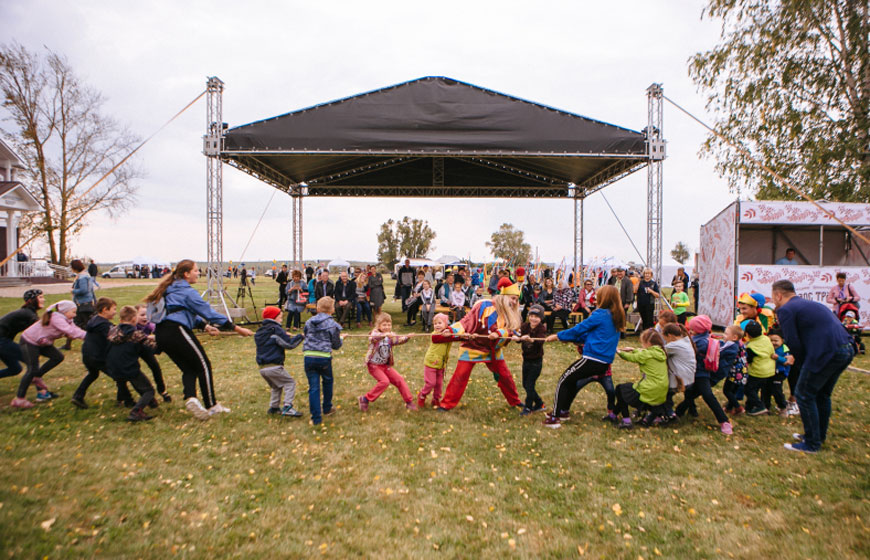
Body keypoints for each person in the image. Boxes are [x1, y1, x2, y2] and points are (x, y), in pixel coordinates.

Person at [145, 259, 253, 421]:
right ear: (186, 274)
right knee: (204, 365)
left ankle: (191, 398)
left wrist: (205, 327)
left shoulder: (170, 289)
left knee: (189, 368)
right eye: (196, 271)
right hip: (177, 331)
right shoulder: (187, 292)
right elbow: (207, 312)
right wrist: (237, 328)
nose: (198, 273)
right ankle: (212, 405)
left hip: (162, 333)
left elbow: (181, 311)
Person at [771, 279, 855, 453]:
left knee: (804, 393)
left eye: (773, 297)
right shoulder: (808, 304)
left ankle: (811, 443)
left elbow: (792, 341)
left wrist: (800, 364)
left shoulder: (786, 310)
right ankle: (817, 436)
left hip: (825, 353)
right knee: (822, 395)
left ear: (778, 295)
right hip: (844, 348)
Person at [542, 285, 624, 428]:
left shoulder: (601, 314)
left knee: (563, 380)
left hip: (593, 359)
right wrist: (576, 339)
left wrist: (558, 336)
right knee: (571, 381)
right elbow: (595, 334)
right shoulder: (615, 315)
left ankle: (554, 418)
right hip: (604, 361)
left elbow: (580, 328)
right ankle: (563, 412)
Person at [437, 283, 524, 411]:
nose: (515, 302)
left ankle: (515, 401)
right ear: (504, 296)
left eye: (516, 299)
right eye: (513, 298)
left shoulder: (509, 313)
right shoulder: (483, 305)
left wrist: (499, 333)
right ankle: (446, 404)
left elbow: (510, 331)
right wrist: (451, 330)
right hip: (472, 347)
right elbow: (467, 321)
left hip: (493, 350)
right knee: (460, 376)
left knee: (505, 376)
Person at [11, 301, 86, 409]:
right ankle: (19, 399)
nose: (75, 314)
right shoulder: (57, 318)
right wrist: (89, 337)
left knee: (58, 357)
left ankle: (37, 376)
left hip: (42, 342)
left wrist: (82, 334)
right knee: (32, 369)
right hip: (29, 341)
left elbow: (74, 330)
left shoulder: (68, 319)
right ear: (64, 311)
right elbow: (70, 331)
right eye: (73, 312)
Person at [71, 297, 135, 409]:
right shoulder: (104, 325)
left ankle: (78, 395)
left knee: (93, 374)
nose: (115, 312)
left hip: (87, 354)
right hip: (98, 357)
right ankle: (127, 400)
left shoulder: (94, 320)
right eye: (114, 309)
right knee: (120, 376)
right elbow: (116, 336)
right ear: (105, 309)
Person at [674, 315, 734, 435]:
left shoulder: (702, 342)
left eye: (692, 328)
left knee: (707, 395)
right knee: (690, 394)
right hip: (692, 372)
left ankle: (724, 421)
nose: (690, 330)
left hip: (701, 374)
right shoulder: (698, 338)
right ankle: (681, 413)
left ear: (698, 330)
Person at [104, 305, 160, 422]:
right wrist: (161, 342)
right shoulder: (136, 334)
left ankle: (136, 401)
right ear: (134, 319)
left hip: (112, 365)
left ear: (120, 320)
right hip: (128, 367)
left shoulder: (113, 331)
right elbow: (152, 349)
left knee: (126, 382)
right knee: (148, 390)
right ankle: (136, 411)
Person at [612, 329, 669, 429]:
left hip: (649, 390)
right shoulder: (660, 352)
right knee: (625, 389)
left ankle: (626, 421)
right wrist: (633, 349)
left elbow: (632, 358)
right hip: (661, 391)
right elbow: (644, 352)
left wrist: (619, 352)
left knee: (620, 390)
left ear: (648, 343)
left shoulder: (646, 354)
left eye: (642, 343)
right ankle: (612, 415)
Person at [358, 313, 416, 412]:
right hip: (374, 365)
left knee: (399, 380)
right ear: (378, 326)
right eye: (384, 325)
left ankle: (409, 402)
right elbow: (373, 338)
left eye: (389, 325)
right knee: (384, 382)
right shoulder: (374, 333)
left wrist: (407, 337)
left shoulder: (390, 335)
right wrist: (384, 335)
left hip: (385, 365)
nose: (387, 327)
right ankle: (365, 399)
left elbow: (398, 340)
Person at [255, 306, 304, 417]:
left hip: (262, 368)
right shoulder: (276, 329)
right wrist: (300, 337)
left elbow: (273, 340)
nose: (281, 320)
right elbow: (289, 344)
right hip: (274, 366)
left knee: (276, 386)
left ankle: (274, 407)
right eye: (280, 317)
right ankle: (288, 407)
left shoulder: (260, 331)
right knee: (289, 383)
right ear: (274, 317)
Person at [303, 296, 343, 425]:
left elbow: (306, 334)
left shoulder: (309, 322)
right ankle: (327, 408)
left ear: (318, 308)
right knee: (327, 382)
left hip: (309, 356)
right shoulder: (333, 325)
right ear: (332, 310)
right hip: (324, 357)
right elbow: (336, 345)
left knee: (313, 387)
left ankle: (316, 418)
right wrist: (341, 339)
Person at [0, 289, 44, 382]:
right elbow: (42, 329)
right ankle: (42, 392)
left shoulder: (28, 312)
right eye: (40, 297)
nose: (43, 300)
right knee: (32, 360)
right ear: (31, 301)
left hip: (4, 341)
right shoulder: (28, 314)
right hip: (2, 341)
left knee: (15, 369)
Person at [133, 304, 169, 402]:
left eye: (147, 315)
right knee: (131, 371)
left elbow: (155, 329)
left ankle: (162, 391)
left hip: (144, 349)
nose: (145, 317)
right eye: (142, 315)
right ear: (134, 316)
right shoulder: (132, 326)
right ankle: (123, 395)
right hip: (132, 350)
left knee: (155, 367)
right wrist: (148, 337)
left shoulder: (149, 324)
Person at [742, 320, 779, 416]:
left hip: (758, 372)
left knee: (749, 389)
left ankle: (760, 406)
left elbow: (749, 360)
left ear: (747, 334)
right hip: (770, 370)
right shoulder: (766, 339)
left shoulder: (751, 347)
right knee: (762, 389)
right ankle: (751, 407)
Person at [416, 313, 453, 409]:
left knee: (439, 384)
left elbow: (456, 337)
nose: (437, 325)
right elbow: (438, 339)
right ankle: (422, 395)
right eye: (435, 324)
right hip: (431, 362)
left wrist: (466, 336)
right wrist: (449, 335)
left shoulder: (449, 334)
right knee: (431, 383)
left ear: (446, 324)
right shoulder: (435, 335)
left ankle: (436, 399)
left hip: (441, 363)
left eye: (440, 323)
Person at [661, 323, 695, 423]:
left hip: (680, 380)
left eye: (665, 338)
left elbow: (657, 352)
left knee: (663, 395)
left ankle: (670, 415)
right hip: (690, 379)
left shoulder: (674, 345)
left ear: (670, 336)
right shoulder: (686, 342)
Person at [517, 304, 547, 415]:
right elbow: (519, 337)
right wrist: (517, 338)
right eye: (531, 316)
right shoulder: (525, 326)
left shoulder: (541, 329)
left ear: (541, 318)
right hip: (526, 360)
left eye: (536, 317)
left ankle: (528, 407)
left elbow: (540, 341)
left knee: (530, 384)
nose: (533, 319)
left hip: (536, 362)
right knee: (525, 384)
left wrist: (530, 339)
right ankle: (539, 403)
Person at [69, 259, 98, 350]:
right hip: (86, 303)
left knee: (82, 324)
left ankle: (91, 343)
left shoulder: (82, 277)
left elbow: (84, 290)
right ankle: (68, 344)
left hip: (83, 304)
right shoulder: (86, 275)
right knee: (74, 323)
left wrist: (73, 291)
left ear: (74, 268)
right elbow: (91, 290)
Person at [721, 325, 748, 415]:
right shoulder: (740, 343)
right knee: (732, 391)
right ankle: (729, 408)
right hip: (742, 371)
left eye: (726, 334)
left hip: (735, 373)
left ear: (734, 337)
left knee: (727, 390)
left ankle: (738, 407)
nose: (723, 335)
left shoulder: (732, 346)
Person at [768, 328, 793, 417]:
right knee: (766, 389)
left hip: (780, 373)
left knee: (777, 390)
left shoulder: (784, 349)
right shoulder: (768, 347)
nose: (773, 342)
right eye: (771, 340)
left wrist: (777, 357)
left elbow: (786, 361)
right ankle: (765, 406)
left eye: (776, 340)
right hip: (769, 372)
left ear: (782, 340)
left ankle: (783, 407)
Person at [636, 268, 660, 332]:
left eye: (648, 274)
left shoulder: (653, 283)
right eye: (646, 273)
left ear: (651, 275)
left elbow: (657, 295)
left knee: (649, 320)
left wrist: (651, 291)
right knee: (644, 319)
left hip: (650, 304)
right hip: (641, 303)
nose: (647, 275)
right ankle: (644, 332)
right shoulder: (641, 282)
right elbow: (635, 290)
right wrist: (638, 281)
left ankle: (650, 333)